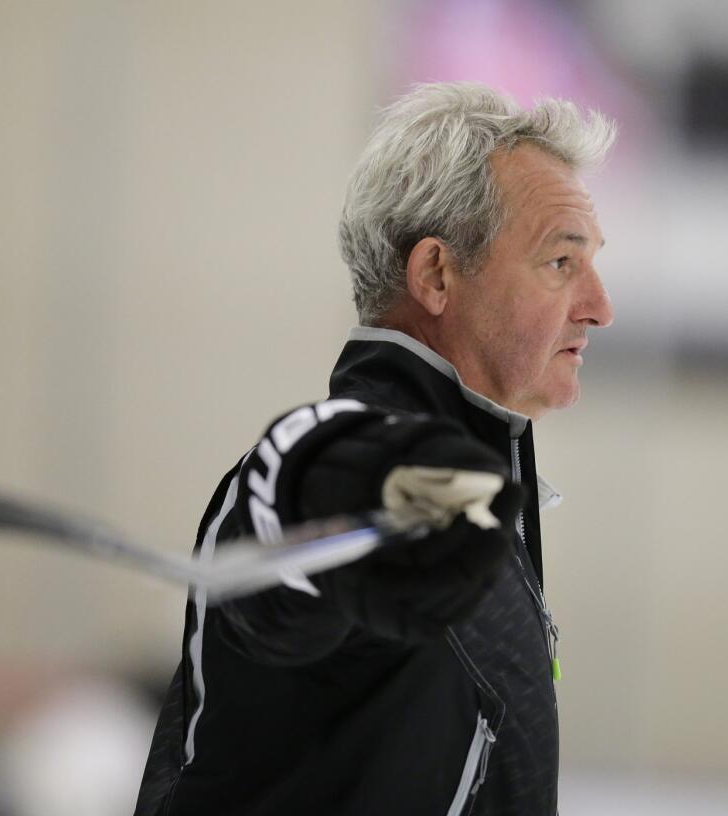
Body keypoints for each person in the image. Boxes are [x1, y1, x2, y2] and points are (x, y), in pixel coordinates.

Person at [135, 81, 615, 816]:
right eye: (560, 263)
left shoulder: (485, 497)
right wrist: (379, 487)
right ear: (436, 275)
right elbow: (301, 469)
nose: (599, 306)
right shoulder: (353, 470)